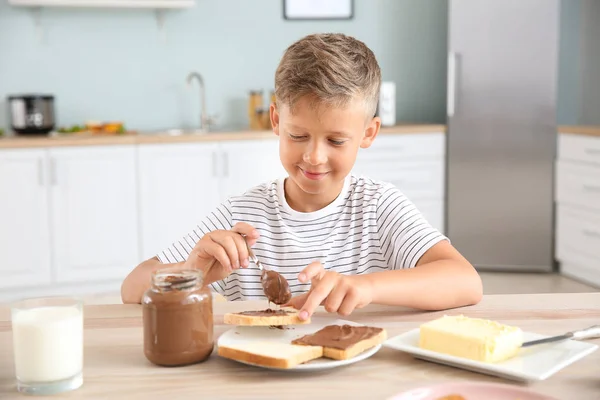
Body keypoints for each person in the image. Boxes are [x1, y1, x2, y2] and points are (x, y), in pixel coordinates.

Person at [121, 33, 483, 320]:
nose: (314, 156)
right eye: (298, 136)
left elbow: (465, 282)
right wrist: (191, 271)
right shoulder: (242, 213)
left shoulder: (378, 206)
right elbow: (132, 287)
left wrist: (367, 287)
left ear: (369, 134)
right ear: (276, 121)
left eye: (336, 140)